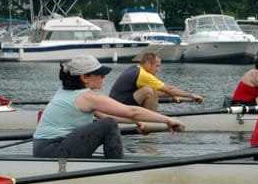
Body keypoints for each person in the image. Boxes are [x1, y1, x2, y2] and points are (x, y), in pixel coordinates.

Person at [33, 55, 185, 159]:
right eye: (99, 74)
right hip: (52, 150)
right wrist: (167, 120)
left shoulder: (68, 93)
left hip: (45, 149)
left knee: (105, 122)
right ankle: (118, 167)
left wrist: (136, 123)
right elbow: (131, 111)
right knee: (109, 125)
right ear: (84, 78)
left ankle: (116, 162)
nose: (103, 77)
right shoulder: (87, 97)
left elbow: (105, 115)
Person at [109, 52, 204, 111]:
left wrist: (172, 95)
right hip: (117, 107)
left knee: (153, 90)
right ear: (147, 64)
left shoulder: (136, 68)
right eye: (157, 66)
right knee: (149, 91)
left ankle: (150, 116)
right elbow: (169, 88)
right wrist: (192, 95)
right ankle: (151, 119)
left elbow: (164, 91)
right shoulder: (143, 75)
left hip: (118, 102)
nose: (159, 69)